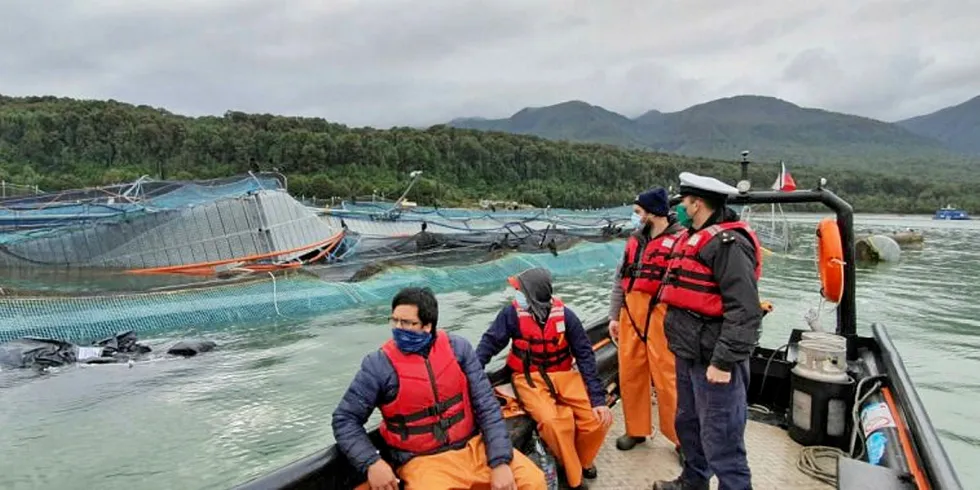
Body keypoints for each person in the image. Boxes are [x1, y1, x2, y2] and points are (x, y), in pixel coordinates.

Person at [332, 287, 547, 490]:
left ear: (427, 326)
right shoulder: (378, 365)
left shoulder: (458, 349)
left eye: (407, 323)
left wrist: (500, 462)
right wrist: (372, 462)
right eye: (394, 320)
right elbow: (345, 419)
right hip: (421, 460)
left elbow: (487, 406)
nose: (398, 328)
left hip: (473, 447)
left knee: (532, 480)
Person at [653, 172, 764, 490]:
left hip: (714, 358)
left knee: (722, 438)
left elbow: (745, 311)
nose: (680, 210)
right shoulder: (692, 237)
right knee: (688, 424)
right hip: (688, 352)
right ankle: (693, 481)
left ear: (697, 203)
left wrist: (723, 361)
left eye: (684, 204)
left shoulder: (729, 245)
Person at [476, 268, 613, 490]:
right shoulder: (510, 315)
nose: (515, 294)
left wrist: (598, 399)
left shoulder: (566, 316)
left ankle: (582, 460)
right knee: (554, 423)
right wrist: (471, 372)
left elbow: (585, 355)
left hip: (564, 375)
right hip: (527, 378)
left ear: (532, 295)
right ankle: (575, 479)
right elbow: (488, 345)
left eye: (519, 290)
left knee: (597, 419)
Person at [607, 187, 685, 455]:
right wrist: (613, 316)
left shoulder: (681, 241)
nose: (635, 216)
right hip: (630, 315)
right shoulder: (634, 241)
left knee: (669, 379)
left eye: (638, 212)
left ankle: (681, 440)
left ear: (653, 213)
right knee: (630, 375)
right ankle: (636, 429)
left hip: (663, 318)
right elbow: (620, 280)